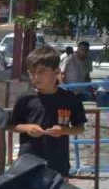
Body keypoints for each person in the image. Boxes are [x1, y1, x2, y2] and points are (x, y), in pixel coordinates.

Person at [9, 45, 87, 176]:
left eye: (41, 72)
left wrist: (64, 130)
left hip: (58, 164)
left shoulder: (70, 98)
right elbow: (11, 125)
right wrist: (27, 128)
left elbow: (80, 127)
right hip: (28, 164)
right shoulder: (24, 98)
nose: (35, 77)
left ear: (56, 72)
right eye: (31, 72)